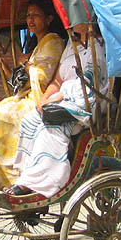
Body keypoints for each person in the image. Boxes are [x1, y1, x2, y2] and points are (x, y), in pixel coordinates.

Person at [7, 21, 109, 198]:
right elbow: (57, 80)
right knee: (30, 119)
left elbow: (90, 84)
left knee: (51, 126)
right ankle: (27, 176)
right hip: (63, 99)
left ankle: (46, 180)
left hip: (86, 102)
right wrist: (44, 99)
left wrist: (57, 97)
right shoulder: (71, 45)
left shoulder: (97, 47)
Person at [0, 0, 66, 190]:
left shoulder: (54, 42)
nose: (30, 20)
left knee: (2, 117)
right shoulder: (37, 47)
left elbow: (42, 77)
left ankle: (17, 177)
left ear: (49, 19)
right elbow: (22, 83)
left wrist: (27, 65)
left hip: (44, 98)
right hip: (28, 96)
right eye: (28, 16)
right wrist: (10, 69)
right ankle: (1, 176)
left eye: (36, 15)